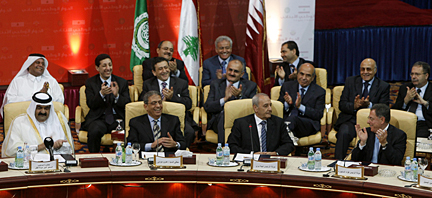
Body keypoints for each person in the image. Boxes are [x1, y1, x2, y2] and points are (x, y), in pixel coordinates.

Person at [334, 58, 390, 160]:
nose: (365, 72)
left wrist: (369, 105)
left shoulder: (383, 86)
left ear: (375, 71)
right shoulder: (350, 81)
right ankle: (338, 163)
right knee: (344, 132)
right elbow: (342, 105)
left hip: (373, 124)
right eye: (362, 69)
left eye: (368, 69)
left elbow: (384, 109)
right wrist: (354, 106)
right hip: (351, 120)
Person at [139, 57, 195, 148]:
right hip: (156, 117)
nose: (164, 71)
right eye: (160, 69)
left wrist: (173, 97)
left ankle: (180, 152)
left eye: (166, 67)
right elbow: (142, 102)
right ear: (154, 72)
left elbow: (188, 104)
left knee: (189, 132)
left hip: (176, 118)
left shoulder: (181, 83)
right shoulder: (148, 84)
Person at [82, 54, 130, 153]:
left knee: (123, 132)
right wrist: (101, 94)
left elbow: (127, 104)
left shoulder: (121, 82)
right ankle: (93, 159)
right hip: (99, 118)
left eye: (110, 65)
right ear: (97, 68)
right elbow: (90, 103)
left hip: (117, 118)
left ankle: (120, 159)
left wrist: (117, 96)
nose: (108, 68)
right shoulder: (90, 83)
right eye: (104, 66)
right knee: (94, 131)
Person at [2, 92, 73, 157]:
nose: (43, 111)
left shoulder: (59, 121)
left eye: (46, 108)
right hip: (29, 164)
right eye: (39, 108)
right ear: (33, 108)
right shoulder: (19, 122)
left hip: (56, 163)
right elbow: (11, 150)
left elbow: (70, 149)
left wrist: (58, 146)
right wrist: (40, 147)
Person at [204, 59, 257, 143]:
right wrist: (225, 99)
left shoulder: (250, 86)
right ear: (226, 69)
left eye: (236, 71)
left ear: (242, 74)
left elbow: (253, 108)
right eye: (230, 70)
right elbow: (208, 107)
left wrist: (239, 97)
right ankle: (224, 149)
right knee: (224, 115)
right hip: (218, 121)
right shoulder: (216, 84)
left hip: (241, 120)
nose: (232, 73)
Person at [227, 93, 294, 156]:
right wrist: (251, 154)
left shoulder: (278, 122)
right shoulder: (241, 123)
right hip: (249, 162)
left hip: (271, 162)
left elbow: (289, 144)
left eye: (270, 105)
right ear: (255, 108)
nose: (270, 109)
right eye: (265, 106)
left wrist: (275, 153)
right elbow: (232, 146)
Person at [278, 63, 325, 141]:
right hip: (288, 122)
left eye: (308, 75)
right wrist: (287, 104)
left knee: (292, 119)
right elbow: (278, 109)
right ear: (297, 74)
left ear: (313, 78)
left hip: (306, 125)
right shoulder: (287, 86)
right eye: (301, 74)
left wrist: (300, 107)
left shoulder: (319, 92)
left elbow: (318, 114)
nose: (304, 78)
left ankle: (286, 137)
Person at [393, 61, 432, 138]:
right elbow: (395, 110)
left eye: (417, 74)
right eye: (412, 74)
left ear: (426, 75)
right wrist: (405, 101)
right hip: (405, 122)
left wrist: (425, 103)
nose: (413, 77)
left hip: (424, 124)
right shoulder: (405, 88)